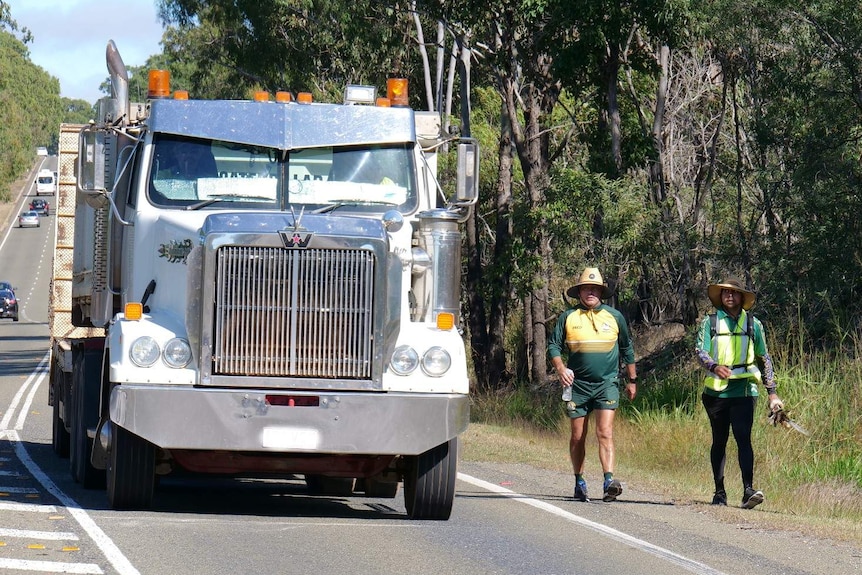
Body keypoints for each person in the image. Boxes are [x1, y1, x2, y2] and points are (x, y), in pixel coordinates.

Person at [548, 267, 637, 502]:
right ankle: (579, 480)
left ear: (601, 292)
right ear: (579, 292)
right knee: (578, 436)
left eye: (595, 288)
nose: (590, 292)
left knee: (605, 432)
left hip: (606, 384)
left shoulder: (614, 316)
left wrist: (632, 380)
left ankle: (609, 481)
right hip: (577, 385)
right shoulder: (568, 317)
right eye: (586, 288)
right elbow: (553, 346)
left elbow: (627, 349)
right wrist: (560, 369)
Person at [696, 277, 783, 509]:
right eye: (725, 293)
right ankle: (719, 492)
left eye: (734, 293)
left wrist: (772, 393)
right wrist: (714, 366)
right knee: (720, 440)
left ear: (742, 297)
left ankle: (748, 491)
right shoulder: (710, 323)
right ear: (720, 297)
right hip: (716, 392)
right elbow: (701, 352)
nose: (730, 297)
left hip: (744, 389)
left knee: (744, 438)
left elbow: (764, 359)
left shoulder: (754, 324)